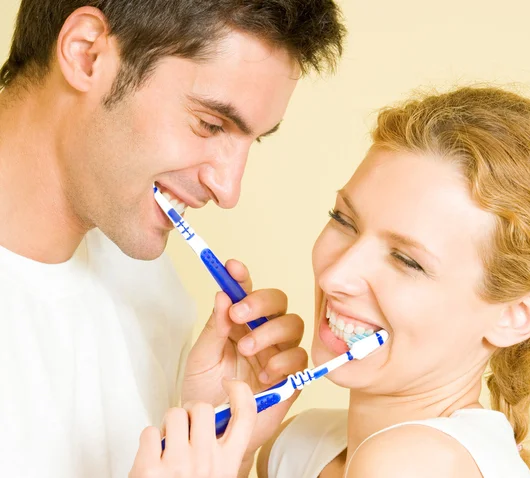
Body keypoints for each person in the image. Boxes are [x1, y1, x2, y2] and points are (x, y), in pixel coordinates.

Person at [0, 1, 345, 477]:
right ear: (86, 55)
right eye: (210, 124)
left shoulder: (153, 289)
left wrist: (227, 445)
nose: (229, 191)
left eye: (253, 142)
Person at [257, 86, 530, 478]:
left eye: (407, 261)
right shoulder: (295, 444)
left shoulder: (413, 466)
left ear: (515, 315)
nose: (336, 276)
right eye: (343, 221)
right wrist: (230, 440)